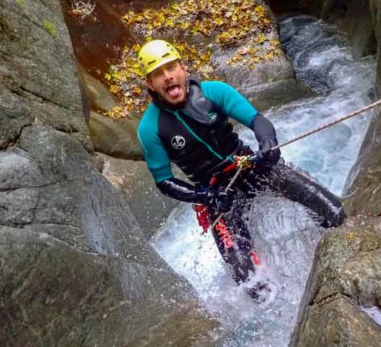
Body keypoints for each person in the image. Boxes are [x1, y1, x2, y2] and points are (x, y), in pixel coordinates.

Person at [136, 40, 344, 299]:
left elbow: (258, 121)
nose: (167, 77)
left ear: (182, 68)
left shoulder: (214, 92)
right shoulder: (150, 128)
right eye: (158, 73)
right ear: (150, 84)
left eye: (171, 68)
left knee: (332, 209)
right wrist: (205, 197)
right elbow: (164, 181)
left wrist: (268, 143)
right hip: (216, 196)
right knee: (248, 281)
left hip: (249, 167)